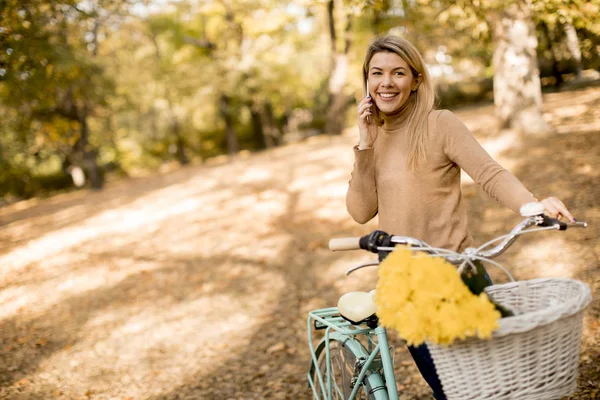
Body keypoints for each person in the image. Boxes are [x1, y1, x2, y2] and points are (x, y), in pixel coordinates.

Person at [346, 35, 574, 400]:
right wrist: (365, 145)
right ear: (367, 80)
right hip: (405, 286)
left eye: (398, 73)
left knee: (502, 384)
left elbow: (490, 173)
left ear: (416, 80)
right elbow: (360, 212)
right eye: (377, 73)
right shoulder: (374, 138)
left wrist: (532, 206)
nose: (386, 83)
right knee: (453, 391)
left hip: (458, 272)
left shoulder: (440, 124)